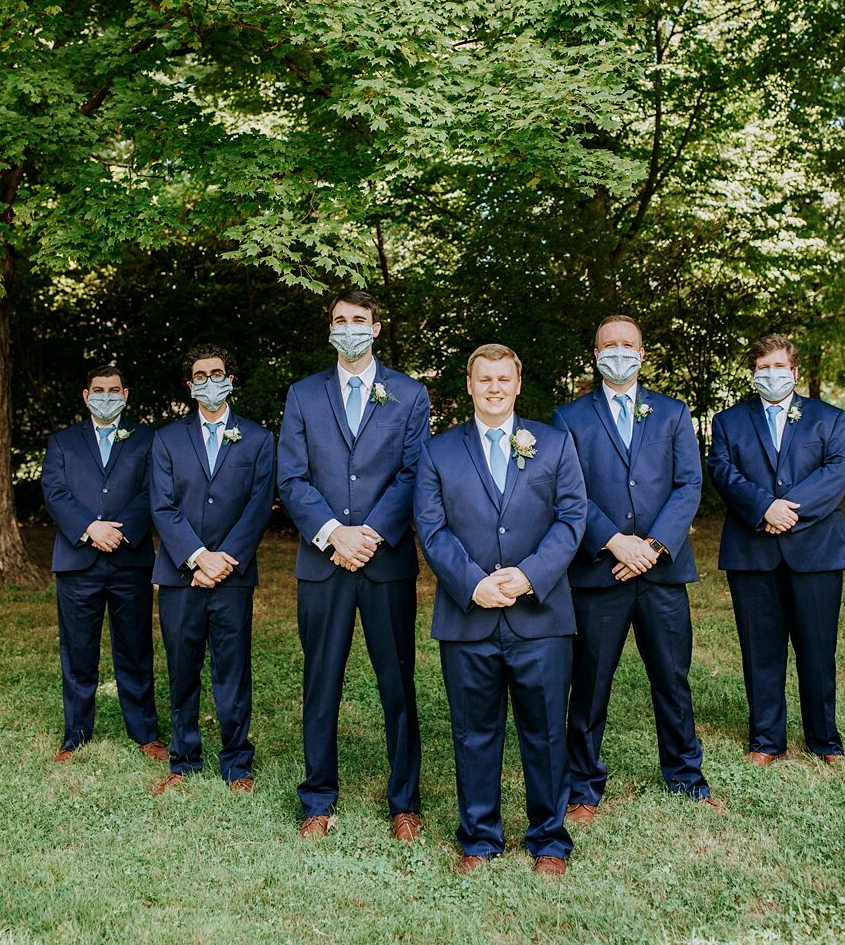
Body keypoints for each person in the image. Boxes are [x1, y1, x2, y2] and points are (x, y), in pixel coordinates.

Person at [416, 343, 586, 879]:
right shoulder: (437, 452)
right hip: (468, 618)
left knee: (547, 733)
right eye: (484, 378)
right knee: (473, 732)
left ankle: (549, 841)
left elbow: (572, 516)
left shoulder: (555, 445)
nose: (494, 387)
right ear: (469, 385)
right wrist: (473, 584)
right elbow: (432, 529)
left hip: (541, 617)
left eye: (503, 379)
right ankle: (480, 837)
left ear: (517, 384)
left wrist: (531, 575)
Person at [553, 314, 720, 824]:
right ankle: (582, 786)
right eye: (610, 345)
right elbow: (569, 493)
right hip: (600, 575)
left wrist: (652, 545)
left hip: (661, 572)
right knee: (590, 684)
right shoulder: (569, 419)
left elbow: (689, 485)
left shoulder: (672, 414)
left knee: (672, 678)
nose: (619, 352)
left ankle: (685, 775)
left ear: (642, 354)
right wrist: (614, 543)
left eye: (628, 345)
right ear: (596, 353)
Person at [277, 290, 430, 841]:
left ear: (377, 328)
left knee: (398, 685)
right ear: (330, 329)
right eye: (340, 320)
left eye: (358, 320)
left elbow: (414, 473)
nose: (349, 328)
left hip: (384, 561)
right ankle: (318, 798)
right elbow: (292, 477)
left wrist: (368, 534)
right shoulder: (302, 395)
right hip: (323, 562)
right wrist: (331, 535)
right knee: (321, 682)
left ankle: (404, 801)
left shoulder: (410, 395)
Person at [708, 333, 845, 766]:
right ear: (754, 374)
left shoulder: (828, 418)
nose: (771, 375)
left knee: (817, 649)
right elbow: (721, 470)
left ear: (795, 371)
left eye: (778, 367)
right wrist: (763, 507)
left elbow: (836, 472)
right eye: (762, 368)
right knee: (760, 649)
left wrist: (788, 511)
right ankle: (766, 739)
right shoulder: (729, 421)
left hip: (816, 551)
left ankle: (824, 740)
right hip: (751, 551)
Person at [149, 345, 274, 793]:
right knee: (183, 669)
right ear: (190, 384)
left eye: (217, 373)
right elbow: (161, 506)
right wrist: (198, 557)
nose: (209, 381)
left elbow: (258, 507)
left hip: (234, 576)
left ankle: (237, 762)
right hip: (180, 575)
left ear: (230, 378)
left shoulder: (258, 439)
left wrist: (224, 560)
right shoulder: (166, 439)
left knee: (233, 670)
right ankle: (183, 761)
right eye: (200, 375)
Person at [40, 364, 165, 763]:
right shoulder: (62, 442)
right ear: (86, 395)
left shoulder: (147, 439)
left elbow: (154, 491)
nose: (106, 395)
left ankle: (145, 733)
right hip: (78, 562)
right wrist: (91, 528)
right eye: (99, 389)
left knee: (135, 649)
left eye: (114, 390)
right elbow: (55, 493)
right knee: (78, 652)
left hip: (130, 561)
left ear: (125, 395)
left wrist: (119, 530)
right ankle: (75, 734)